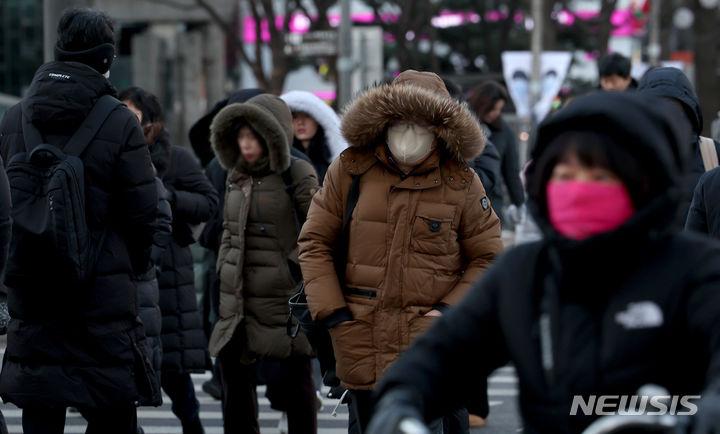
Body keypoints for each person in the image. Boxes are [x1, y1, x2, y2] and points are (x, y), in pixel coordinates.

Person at [365, 91, 720, 434]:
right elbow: (446, 353)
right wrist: (401, 399)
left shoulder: (697, 269)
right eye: (565, 176)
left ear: (645, 183)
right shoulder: (524, 272)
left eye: (599, 177)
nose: (580, 190)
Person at [297, 70, 503, 434]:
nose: (410, 132)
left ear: (440, 127)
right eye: (401, 121)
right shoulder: (350, 169)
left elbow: (487, 257)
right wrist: (335, 316)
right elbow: (315, 243)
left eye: (422, 123)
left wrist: (446, 312)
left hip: (430, 345)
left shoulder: (462, 181)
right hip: (360, 335)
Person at [0, 8, 160, 433]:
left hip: (33, 294)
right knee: (111, 415)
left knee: (40, 412)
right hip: (101, 297)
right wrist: (134, 265)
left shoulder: (14, 119)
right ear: (106, 59)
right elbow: (145, 212)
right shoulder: (119, 120)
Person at [209, 93, 320, 434]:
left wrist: (295, 270)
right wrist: (223, 273)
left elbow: (320, 230)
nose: (246, 144)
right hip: (238, 300)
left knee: (296, 386)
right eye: (241, 136)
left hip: (282, 299)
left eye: (254, 136)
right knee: (235, 388)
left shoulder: (297, 172)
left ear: (273, 135)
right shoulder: (234, 174)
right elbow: (228, 232)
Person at [145, 92, 218, 433]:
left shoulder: (176, 159)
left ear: (152, 121)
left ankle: (194, 427)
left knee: (176, 378)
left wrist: (168, 197)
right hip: (128, 277)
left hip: (169, 275)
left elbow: (207, 203)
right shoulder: (111, 152)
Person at [190, 88, 268, 399]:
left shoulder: (291, 167)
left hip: (270, 285)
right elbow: (207, 226)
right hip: (226, 280)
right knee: (233, 379)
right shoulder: (217, 166)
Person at [118, 87, 175, 399]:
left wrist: (144, 260)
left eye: (133, 113)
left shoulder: (162, 159)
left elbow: (162, 219)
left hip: (142, 275)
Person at [637, 67, 720, 210]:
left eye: (672, 106)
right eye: (656, 106)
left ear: (687, 110)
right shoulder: (626, 157)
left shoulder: (711, 153)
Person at [468, 81, 525, 226]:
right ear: (482, 105)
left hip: (492, 202)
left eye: (499, 109)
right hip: (465, 201)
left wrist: (519, 203)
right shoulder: (462, 125)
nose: (496, 113)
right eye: (493, 108)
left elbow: (510, 170)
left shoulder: (503, 130)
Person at [281, 90, 348, 184]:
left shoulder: (332, 160)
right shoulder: (284, 158)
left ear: (318, 120)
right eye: (295, 117)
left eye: (307, 116)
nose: (300, 122)